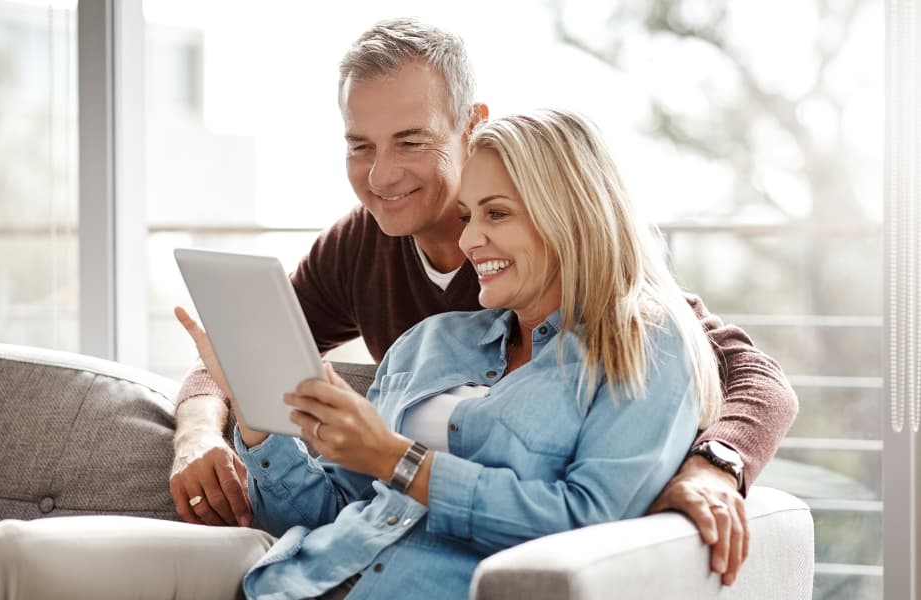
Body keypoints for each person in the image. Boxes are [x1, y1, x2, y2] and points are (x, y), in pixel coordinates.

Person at [170, 17, 797, 586]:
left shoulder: (621, 321)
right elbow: (248, 351)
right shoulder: (375, 267)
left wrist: (713, 465)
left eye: (410, 141)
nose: (380, 176)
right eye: (360, 145)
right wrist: (212, 427)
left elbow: (747, 374)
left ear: (471, 126)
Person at [214, 107, 726, 599]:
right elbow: (329, 515)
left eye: (496, 214)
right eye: (467, 216)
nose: (469, 240)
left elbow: (589, 523)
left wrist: (396, 460)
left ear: (573, 215)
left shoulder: (643, 343)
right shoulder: (427, 342)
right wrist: (256, 419)